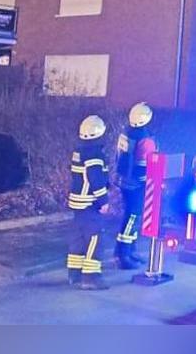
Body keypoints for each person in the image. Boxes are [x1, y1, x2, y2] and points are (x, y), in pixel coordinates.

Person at [66, 115, 111, 290]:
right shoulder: (95, 154)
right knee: (94, 237)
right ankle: (91, 277)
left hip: (77, 202)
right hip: (89, 203)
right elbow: (96, 179)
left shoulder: (79, 151)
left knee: (78, 238)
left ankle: (74, 274)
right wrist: (104, 201)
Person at [114, 102, 157, 269]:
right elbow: (147, 161)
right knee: (132, 217)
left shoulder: (127, 134)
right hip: (137, 183)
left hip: (126, 181)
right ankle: (123, 254)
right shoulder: (144, 138)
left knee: (132, 216)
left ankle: (130, 250)